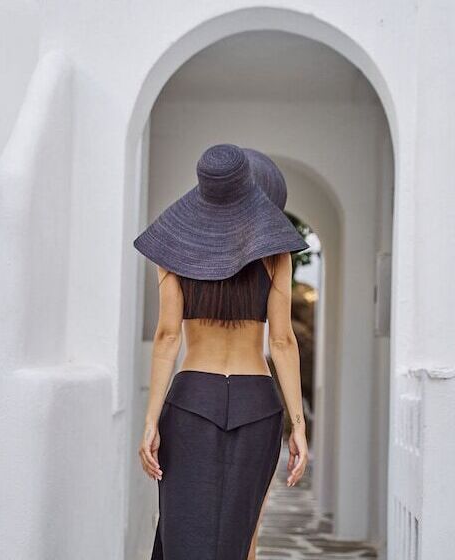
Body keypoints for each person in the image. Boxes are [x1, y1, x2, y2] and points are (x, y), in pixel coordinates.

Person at [133, 143, 310, 560]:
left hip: (192, 399)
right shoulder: (275, 255)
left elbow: (167, 337)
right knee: (242, 537)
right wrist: (298, 426)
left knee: (183, 529)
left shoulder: (174, 251)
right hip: (256, 402)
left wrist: (151, 420)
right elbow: (282, 341)